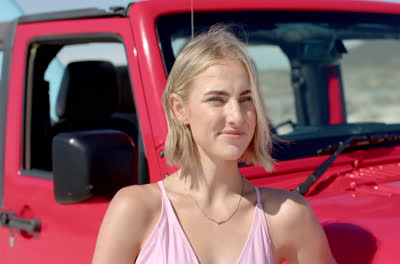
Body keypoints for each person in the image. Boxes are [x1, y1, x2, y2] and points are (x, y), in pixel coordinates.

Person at [92, 26, 336, 264]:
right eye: (216, 99)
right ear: (179, 109)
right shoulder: (136, 209)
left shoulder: (287, 215)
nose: (237, 116)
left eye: (246, 99)